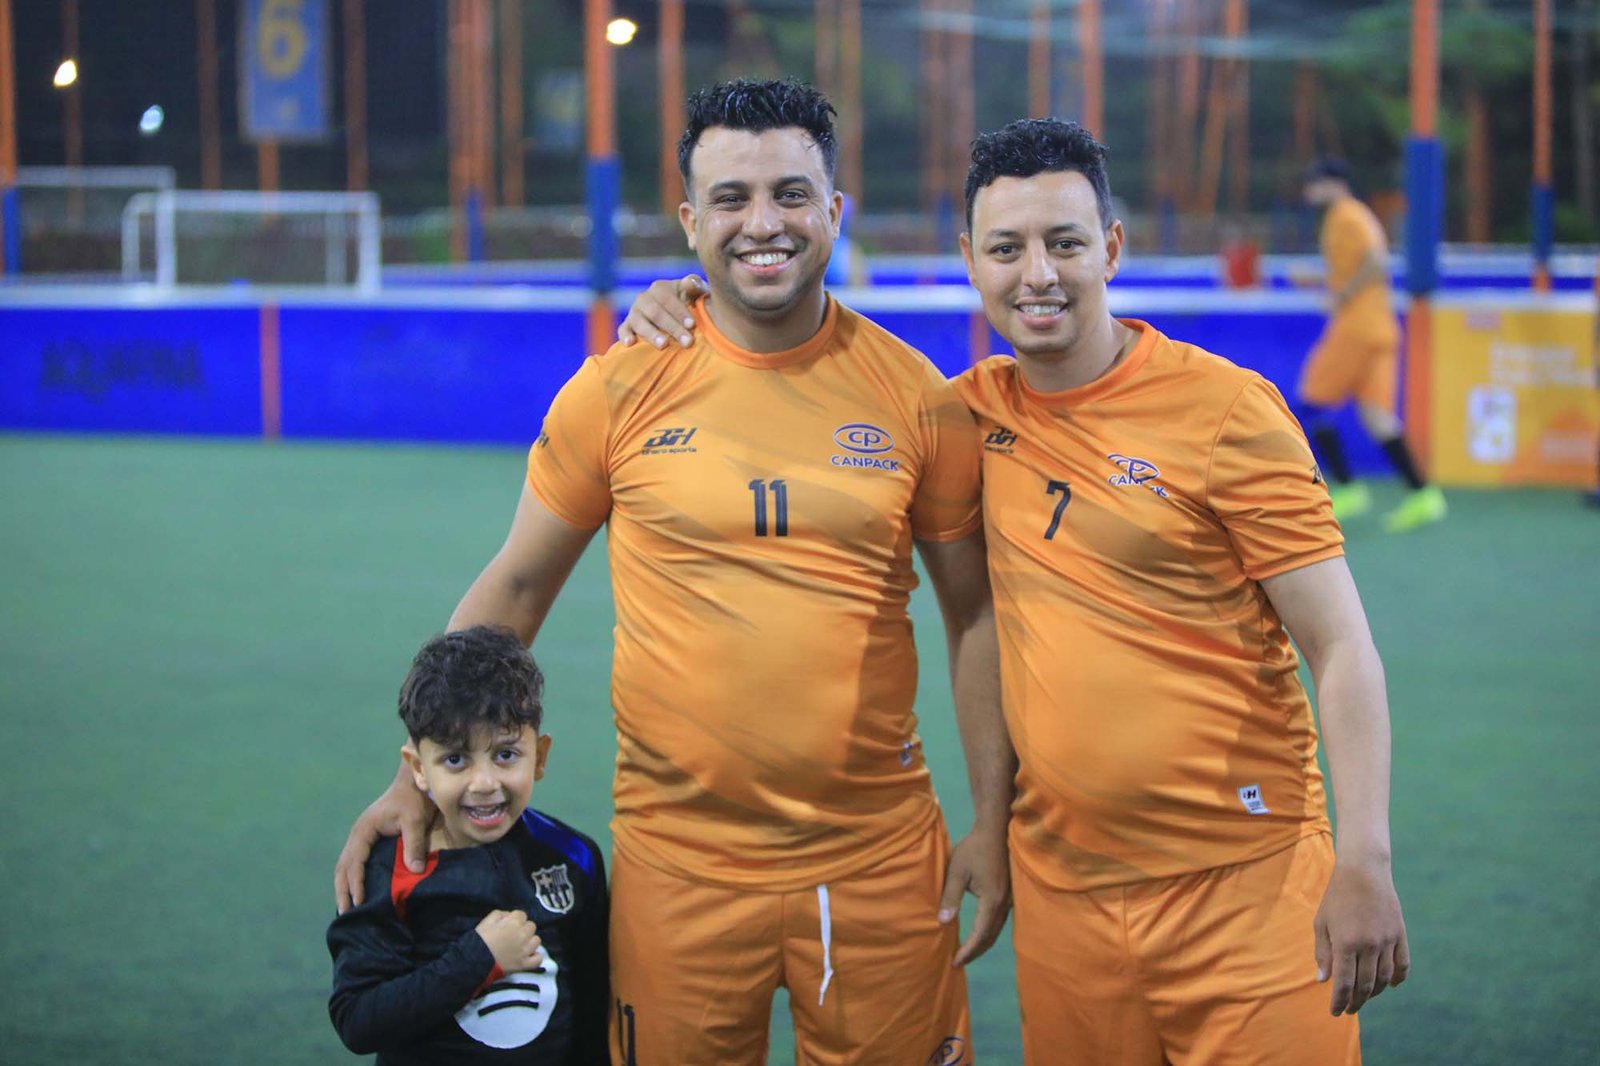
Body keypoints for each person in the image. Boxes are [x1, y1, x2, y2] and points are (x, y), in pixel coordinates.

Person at [621, 118, 1412, 1065]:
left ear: (1110, 248)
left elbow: (1340, 646)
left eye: (1064, 243)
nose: (1037, 274)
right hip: (1064, 901)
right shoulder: (962, 417)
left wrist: (1365, 857)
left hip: (1247, 881)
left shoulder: (1229, 412)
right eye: (1006, 249)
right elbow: (803, 373)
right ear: (971, 260)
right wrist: (686, 300)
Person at [336, 78, 1011, 1066]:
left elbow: (975, 617)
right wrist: (414, 773)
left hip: (876, 860)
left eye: (790, 193)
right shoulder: (617, 388)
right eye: (731, 198)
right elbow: (517, 588)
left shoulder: (917, 397)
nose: (762, 223)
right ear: (691, 222)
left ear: (835, 210)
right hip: (678, 866)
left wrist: (993, 817)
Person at [328, 625, 608, 1064]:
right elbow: (359, 1020)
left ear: (540, 756)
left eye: (505, 754)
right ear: (418, 769)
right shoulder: (391, 868)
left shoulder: (574, 857)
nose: (484, 783)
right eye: (455, 759)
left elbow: (594, 1006)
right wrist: (479, 958)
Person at [1299, 157, 1446, 532]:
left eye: (1314, 184)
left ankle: (1348, 489)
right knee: (1378, 417)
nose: (1309, 192)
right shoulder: (1351, 216)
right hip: (1378, 328)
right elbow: (1359, 265)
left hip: (1357, 328)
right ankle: (1424, 495)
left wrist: (1343, 295)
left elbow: (1376, 261)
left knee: (1311, 403)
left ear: (1333, 183)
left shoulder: (1346, 215)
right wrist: (1323, 282)